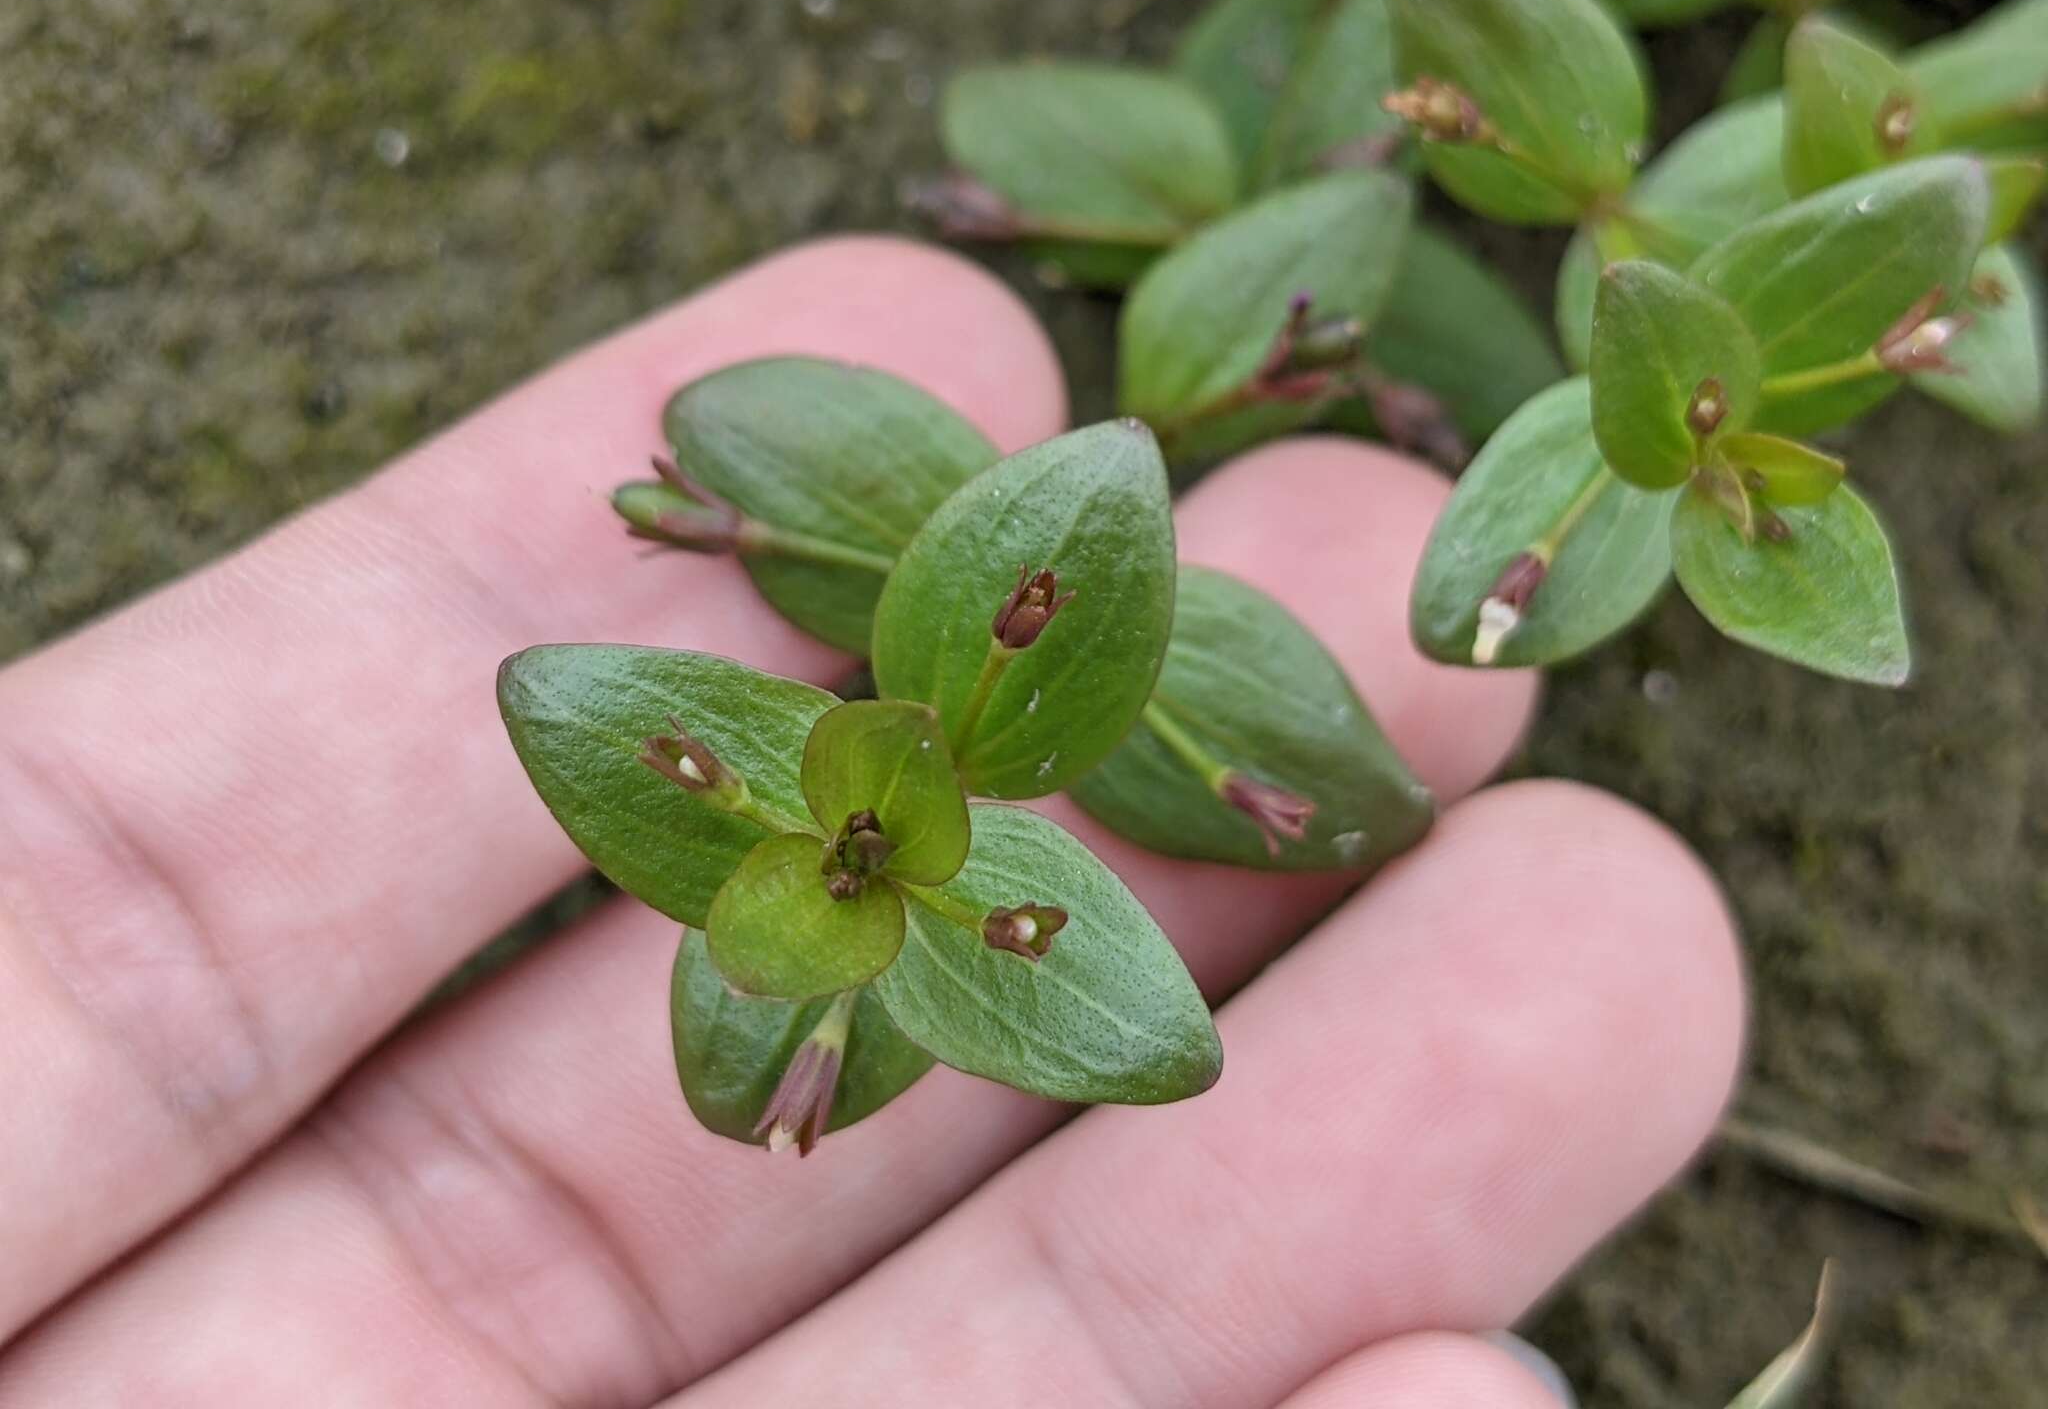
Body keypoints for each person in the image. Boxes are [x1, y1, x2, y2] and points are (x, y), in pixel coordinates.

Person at [0, 238, 1743, 1406]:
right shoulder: (830, 868)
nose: (847, 859)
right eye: (843, 860)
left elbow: (1102, 996)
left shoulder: (907, 800)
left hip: (916, 803)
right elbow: (644, 752)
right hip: (888, 830)